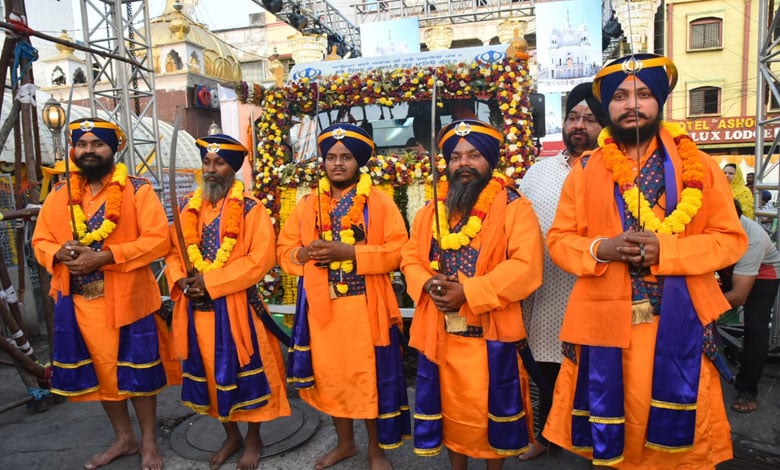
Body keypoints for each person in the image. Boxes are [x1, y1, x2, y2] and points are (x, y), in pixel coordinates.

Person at [544, 53, 748, 468]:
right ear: (608, 107)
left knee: (681, 449)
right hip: (606, 325)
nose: (631, 105)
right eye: (620, 96)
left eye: (642, 94)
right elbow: (559, 240)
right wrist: (601, 249)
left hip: (679, 323)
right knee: (616, 436)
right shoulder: (585, 170)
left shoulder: (699, 167)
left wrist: (666, 251)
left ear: (659, 101)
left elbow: (730, 241)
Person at [32, 118, 179, 470]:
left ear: (114, 149)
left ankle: (148, 442)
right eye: (82, 145)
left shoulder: (138, 190)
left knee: (137, 373)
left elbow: (158, 240)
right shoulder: (60, 193)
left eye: (97, 144)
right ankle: (124, 438)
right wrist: (58, 253)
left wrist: (107, 256)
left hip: (128, 302)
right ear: (74, 150)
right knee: (102, 375)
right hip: (78, 305)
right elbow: (40, 241)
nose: (89, 151)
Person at [401, 119, 544, 469]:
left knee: (492, 419)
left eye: (474, 155)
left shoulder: (515, 207)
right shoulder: (432, 211)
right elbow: (409, 258)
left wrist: (468, 291)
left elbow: (526, 268)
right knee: (451, 418)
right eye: (455, 157)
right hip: (440, 337)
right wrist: (428, 283)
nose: (463, 163)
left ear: (490, 161)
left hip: (489, 339)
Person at [278, 123, 410, 470]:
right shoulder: (308, 205)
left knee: (367, 381)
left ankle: (376, 451)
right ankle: (346, 444)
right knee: (333, 381)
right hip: (322, 311)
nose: (337, 163)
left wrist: (351, 253)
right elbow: (284, 250)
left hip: (365, 310)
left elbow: (400, 252)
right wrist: (305, 254)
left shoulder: (379, 203)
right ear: (323, 162)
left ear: (358, 162)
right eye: (331, 157)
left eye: (346, 157)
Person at [165, 134, 291, 470]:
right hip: (197, 314)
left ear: (232, 169)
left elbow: (260, 260)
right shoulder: (187, 207)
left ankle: (253, 439)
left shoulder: (251, 208)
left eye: (219, 163)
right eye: (207, 162)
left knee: (247, 376)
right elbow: (173, 252)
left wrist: (210, 282)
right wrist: (181, 280)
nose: (210, 169)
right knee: (210, 376)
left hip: (238, 312)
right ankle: (231, 435)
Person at [517, 81, 605, 460]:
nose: (579, 125)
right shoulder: (537, 172)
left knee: (595, 372)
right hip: (544, 290)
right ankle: (546, 436)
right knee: (544, 367)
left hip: (594, 289)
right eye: (573, 117)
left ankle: (597, 444)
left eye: (590, 118)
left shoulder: (613, 170)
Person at [721, 200, 780, 413]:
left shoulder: (753, 238)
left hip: (763, 274)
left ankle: (747, 389)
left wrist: (698, 303)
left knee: (756, 329)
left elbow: (738, 296)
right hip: (729, 266)